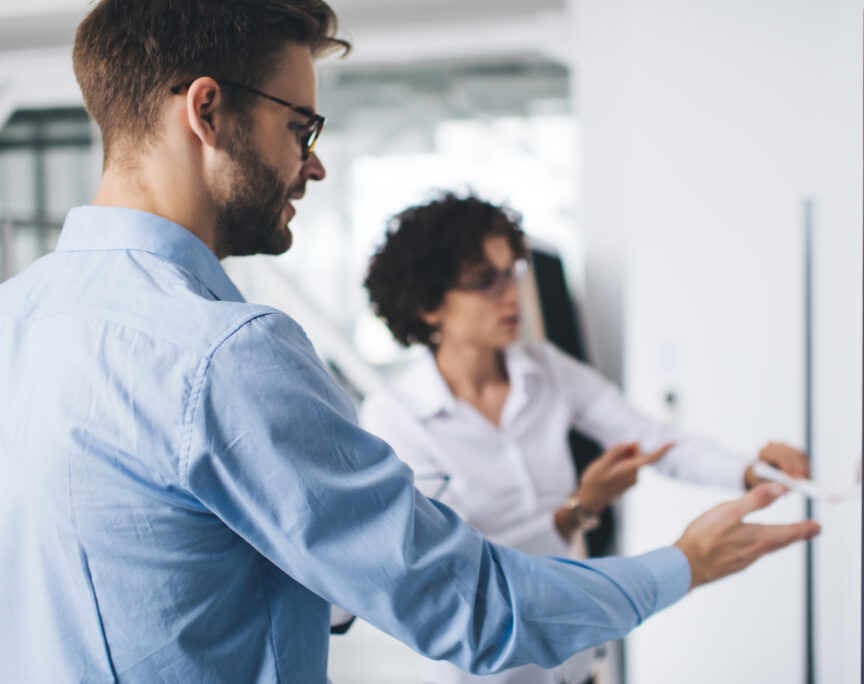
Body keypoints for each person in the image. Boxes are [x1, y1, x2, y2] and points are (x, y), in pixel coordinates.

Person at [0, 1, 819, 682]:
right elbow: (474, 608)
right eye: (301, 127)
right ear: (207, 111)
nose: (312, 167)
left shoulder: (16, 317)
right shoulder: (224, 354)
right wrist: (686, 563)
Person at [360, 192, 812, 684]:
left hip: (575, 665)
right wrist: (578, 509)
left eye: (511, 271)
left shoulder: (547, 370)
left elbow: (656, 441)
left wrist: (751, 469)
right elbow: (451, 566)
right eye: (484, 281)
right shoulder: (396, 416)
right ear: (427, 304)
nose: (510, 293)